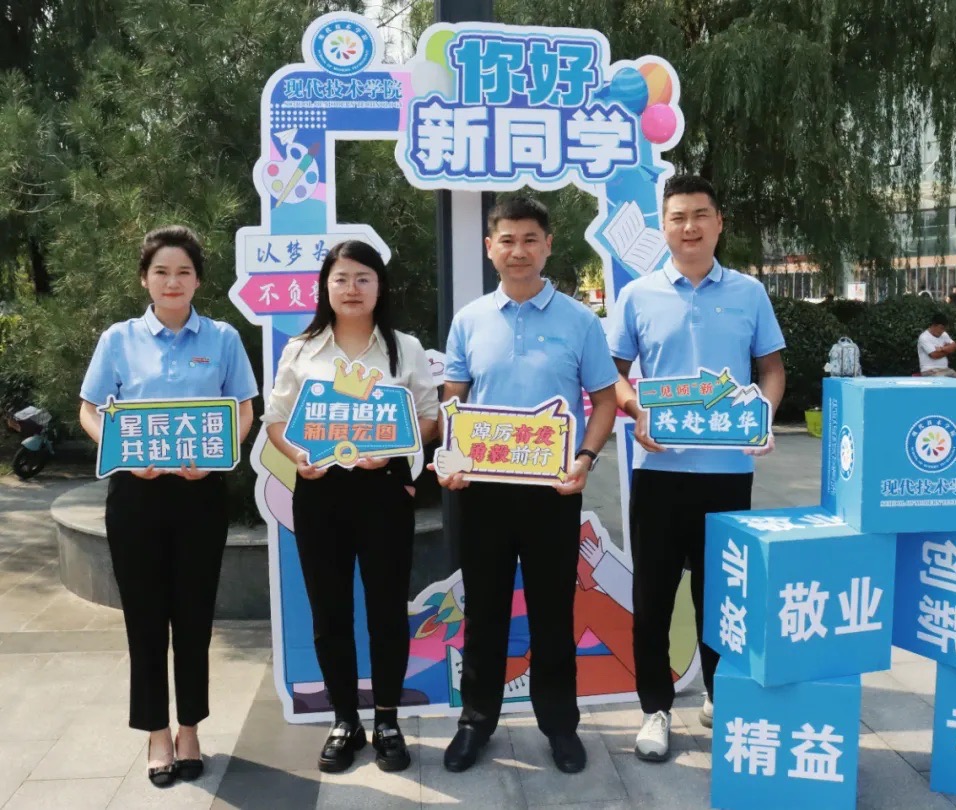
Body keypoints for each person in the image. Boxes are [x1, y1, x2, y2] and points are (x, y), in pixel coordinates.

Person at [433, 195, 618, 775]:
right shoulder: (469, 320)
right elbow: (454, 400)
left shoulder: (580, 321)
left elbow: (605, 401)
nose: (518, 251)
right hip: (482, 492)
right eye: (507, 240)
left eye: (530, 239)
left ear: (548, 245)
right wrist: (450, 455)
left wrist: (585, 457)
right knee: (484, 612)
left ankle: (560, 726)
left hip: (553, 491)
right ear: (490, 248)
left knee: (552, 613)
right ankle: (476, 722)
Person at [607, 175, 787, 762]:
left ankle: (718, 693)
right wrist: (636, 410)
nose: (690, 227)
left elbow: (771, 369)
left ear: (718, 222)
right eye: (678, 216)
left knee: (723, 595)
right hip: (658, 473)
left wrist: (763, 416)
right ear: (664, 226)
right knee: (653, 596)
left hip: (728, 473)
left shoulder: (749, 293)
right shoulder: (638, 296)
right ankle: (654, 709)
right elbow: (612, 375)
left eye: (701, 215)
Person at [78, 226, 258, 787]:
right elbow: (89, 410)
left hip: (199, 494)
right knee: (146, 619)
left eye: (183, 272)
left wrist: (220, 457)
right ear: (145, 279)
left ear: (198, 280)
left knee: (194, 617)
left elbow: (244, 409)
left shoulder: (223, 338)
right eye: (161, 272)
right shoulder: (118, 339)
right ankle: (156, 732)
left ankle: (190, 729)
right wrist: (120, 452)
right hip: (135, 496)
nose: (172, 281)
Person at [264, 240, 438, 773]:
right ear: (325, 287)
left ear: (380, 286)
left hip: (383, 491)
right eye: (340, 279)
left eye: (363, 278)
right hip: (321, 491)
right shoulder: (302, 349)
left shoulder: (404, 348)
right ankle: (344, 720)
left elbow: (429, 417)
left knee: (386, 612)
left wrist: (396, 447)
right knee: (329, 612)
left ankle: (386, 720)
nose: (352, 289)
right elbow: (276, 421)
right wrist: (298, 456)